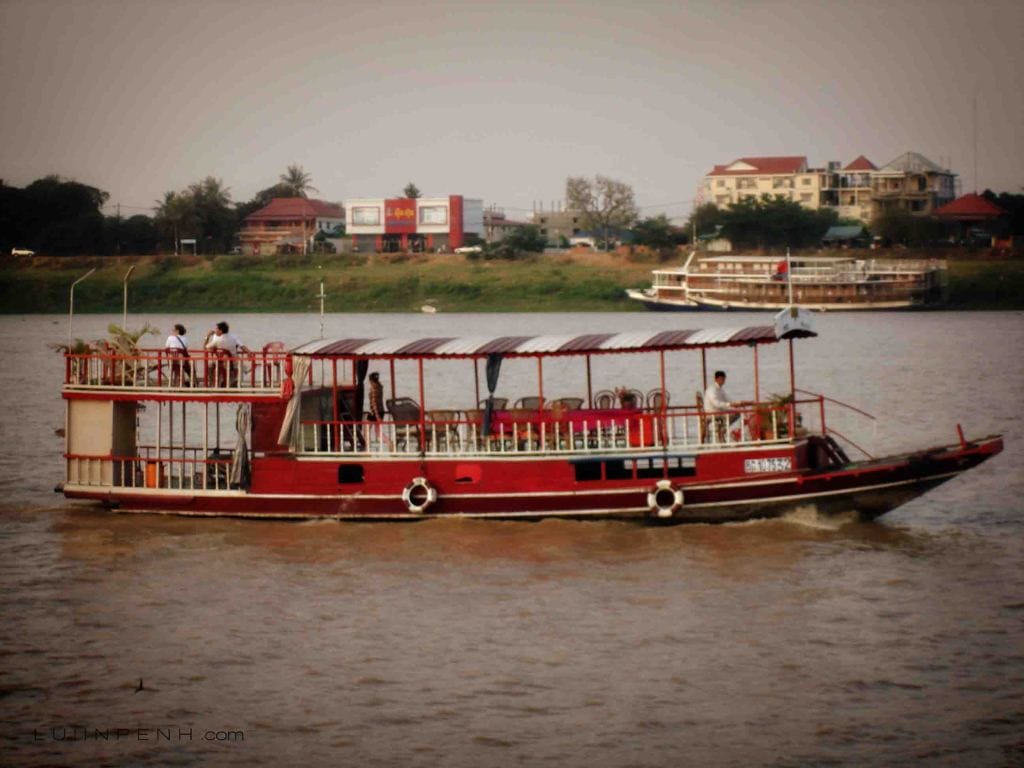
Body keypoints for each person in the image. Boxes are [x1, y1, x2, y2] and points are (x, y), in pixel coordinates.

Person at [204, 321, 248, 386]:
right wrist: (249, 353)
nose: (215, 330)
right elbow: (242, 347)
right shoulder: (233, 338)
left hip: (221, 363)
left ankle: (213, 384)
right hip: (233, 362)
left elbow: (205, 348)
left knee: (210, 367)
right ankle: (231, 382)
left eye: (216, 329)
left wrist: (207, 336)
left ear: (221, 331)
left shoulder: (217, 340)